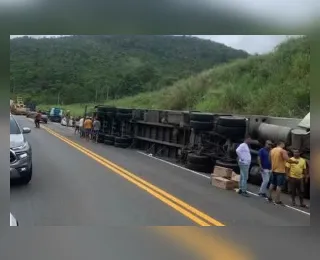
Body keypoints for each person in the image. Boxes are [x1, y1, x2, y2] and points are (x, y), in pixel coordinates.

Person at [268, 141, 299, 205]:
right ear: (281, 144)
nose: (284, 145)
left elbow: (269, 159)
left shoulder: (272, 150)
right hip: (280, 171)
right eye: (283, 144)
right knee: (279, 186)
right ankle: (277, 200)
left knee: (272, 184)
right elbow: (287, 159)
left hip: (273, 170)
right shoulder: (282, 151)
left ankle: (269, 196)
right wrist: (295, 162)